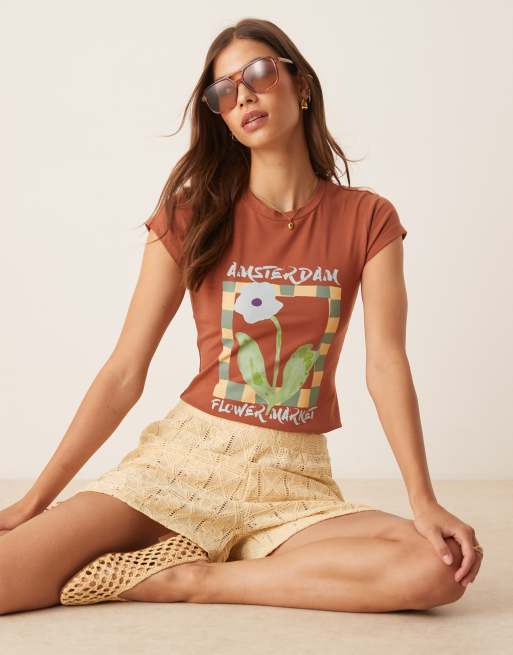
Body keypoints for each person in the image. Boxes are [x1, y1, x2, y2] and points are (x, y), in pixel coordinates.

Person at [0, 18, 483, 616]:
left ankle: (190, 579)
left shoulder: (368, 218)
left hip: (294, 485)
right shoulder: (190, 215)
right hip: (183, 463)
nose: (244, 96)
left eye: (258, 74)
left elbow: (385, 363)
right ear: (222, 118)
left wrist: (423, 499)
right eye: (224, 91)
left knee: (437, 569)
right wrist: (33, 502)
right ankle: (195, 553)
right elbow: (125, 369)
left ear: (301, 85)